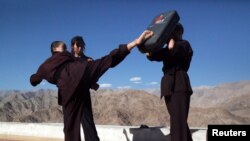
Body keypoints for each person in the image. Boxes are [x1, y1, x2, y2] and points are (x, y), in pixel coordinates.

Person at [30, 30, 153, 141]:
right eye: (66, 47)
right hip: (71, 91)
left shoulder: (77, 62)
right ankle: (135, 42)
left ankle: (134, 43)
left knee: (81, 126)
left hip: (77, 92)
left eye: (80, 45)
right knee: (70, 127)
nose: (73, 48)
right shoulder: (59, 61)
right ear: (56, 49)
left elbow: (34, 79)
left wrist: (88, 69)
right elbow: (36, 78)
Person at [146, 23, 193, 141]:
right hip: (168, 85)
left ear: (178, 32)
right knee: (178, 120)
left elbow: (173, 48)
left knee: (178, 122)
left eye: (173, 31)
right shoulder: (167, 49)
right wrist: (150, 42)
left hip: (179, 84)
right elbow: (151, 55)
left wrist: (167, 35)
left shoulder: (184, 45)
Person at [70, 35, 100, 140]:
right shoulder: (68, 60)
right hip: (71, 95)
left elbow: (94, 77)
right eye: (76, 45)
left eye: (81, 46)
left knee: (88, 122)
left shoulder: (88, 60)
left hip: (83, 95)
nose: (79, 48)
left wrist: (91, 68)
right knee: (71, 124)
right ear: (72, 46)